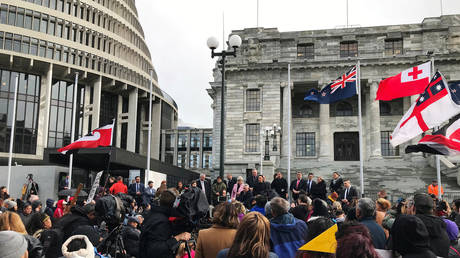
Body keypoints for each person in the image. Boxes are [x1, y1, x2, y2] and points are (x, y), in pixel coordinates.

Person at [139, 189, 191, 258]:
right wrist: (177, 238)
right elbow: (155, 249)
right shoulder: (162, 221)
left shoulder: (153, 214)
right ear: (174, 205)